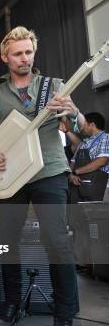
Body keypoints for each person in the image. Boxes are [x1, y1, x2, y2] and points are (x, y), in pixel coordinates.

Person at [0, 26, 84, 326]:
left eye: (28, 52)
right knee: (7, 241)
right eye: (18, 53)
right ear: (6, 57)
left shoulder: (54, 86)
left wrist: (72, 114)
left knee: (56, 241)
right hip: (13, 177)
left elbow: (78, 128)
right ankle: (10, 304)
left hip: (50, 171)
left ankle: (64, 319)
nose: (24, 58)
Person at [67, 112, 108, 269]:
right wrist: (71, 175)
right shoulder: (83, 143)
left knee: (96, 227)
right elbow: (72, 162)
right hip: (78, 189)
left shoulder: (105, 139)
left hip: (97, 188)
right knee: (79, 225)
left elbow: (101, 161)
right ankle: (82, 262)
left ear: (92, 124)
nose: (81, 128)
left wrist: (77, 172)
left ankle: (97, 265)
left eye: (83, 124)